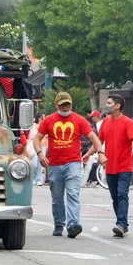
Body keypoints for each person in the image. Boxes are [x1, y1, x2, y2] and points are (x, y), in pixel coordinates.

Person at [33, 92, 104, 238]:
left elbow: (93, 137)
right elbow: (37, 138)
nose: (65, 108)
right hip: (54, 164)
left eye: (68, 105)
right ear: (56, 105)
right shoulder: (49, 120)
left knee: (73, 194)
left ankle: (73, 224)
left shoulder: (79, 120)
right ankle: (59, 224)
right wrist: (40, 153)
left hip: (73, 163)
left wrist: (100, 153)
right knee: (57, 197)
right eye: (62, 105)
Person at [84, 94, 133, 238]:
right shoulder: (105, 122)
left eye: (109, 103)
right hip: (109, 166)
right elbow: (98, 142)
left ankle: (121, 224)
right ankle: (122, 224)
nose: (106, 105)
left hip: (124, 166)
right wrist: (88, 155)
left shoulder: (127, 123)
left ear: (117, 106)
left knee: (121, 194)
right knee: (115, 197)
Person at [28, 113, 46, 186]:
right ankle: (33, 178)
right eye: (43, 117)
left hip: (43, 145)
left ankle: (38, 179)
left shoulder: (45, 126)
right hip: (35, 145)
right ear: (39, 118)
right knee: (34, 163)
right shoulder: (34, 126)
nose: (44, 118)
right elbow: (32, 136)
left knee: (41, 163)